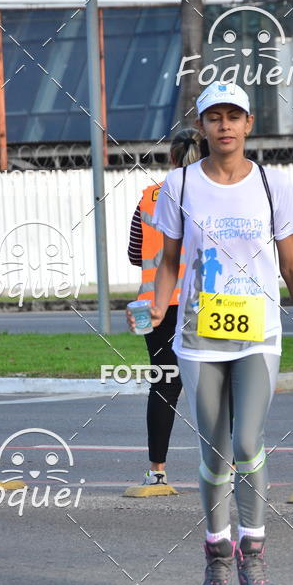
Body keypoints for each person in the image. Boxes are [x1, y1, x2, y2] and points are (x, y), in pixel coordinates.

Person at [151, 82, 293, 585]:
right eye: (214, 117)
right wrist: (159, 305)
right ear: (201, 126)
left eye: (234, 116)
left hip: (259, 334)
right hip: (199, 336)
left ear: (249, 124)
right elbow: (168, 262)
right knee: (214, 449)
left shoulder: (274, 185)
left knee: (247, 441)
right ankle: (216, 554)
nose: (224, 126)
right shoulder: (179, 184)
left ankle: (254, 553)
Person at [127, 129, 201, 486]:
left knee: (163, 383)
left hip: (154, 304)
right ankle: (230, 468)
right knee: (214, 385)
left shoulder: (148, 197)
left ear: (171, 158)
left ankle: (157, 471)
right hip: (200, 301)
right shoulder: (210, 193)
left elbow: (133, 253)